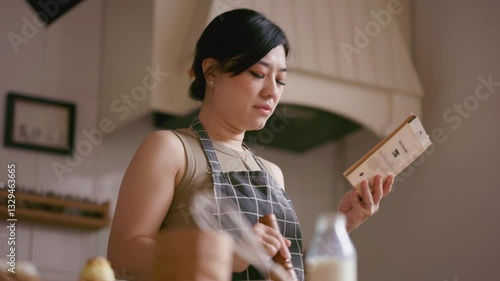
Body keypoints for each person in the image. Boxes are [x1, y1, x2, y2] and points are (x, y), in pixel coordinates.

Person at [107, 8, 394, 281]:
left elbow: (279, 272)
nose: (272, 92)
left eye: (280, 80)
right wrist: (222, 254)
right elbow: (122, 256)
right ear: (211, 72)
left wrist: (341, 226)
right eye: (258, 74)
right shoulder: (170, 148)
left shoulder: (272, 173)